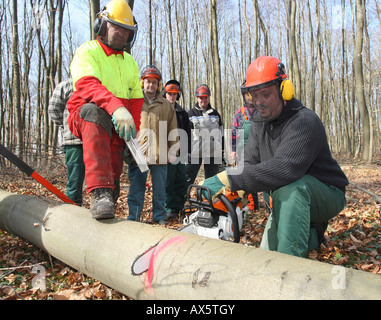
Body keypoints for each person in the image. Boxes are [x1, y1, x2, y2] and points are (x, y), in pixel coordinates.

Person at [201, 56, 348, 258]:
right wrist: (233, 191)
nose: (259, 102)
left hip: (326, 193)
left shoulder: (304, 121)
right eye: (254, 95)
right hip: (284, 195)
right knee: (268, 253)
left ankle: (289, 271)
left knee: (291, 189)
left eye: (266, 94)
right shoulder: (259, 122)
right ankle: (313, 235)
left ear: (284, 90)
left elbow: (285, 169)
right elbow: (249, 163)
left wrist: (228, 178)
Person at [67, 0, 143, 220]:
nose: (121, 33)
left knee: (115, 161)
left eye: (126, 30)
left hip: (116, 120)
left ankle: (109, 194)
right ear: (101, 25)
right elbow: (87, 84)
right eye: (116, 27)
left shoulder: (130, 62)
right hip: (86, 111)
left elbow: (136, 100)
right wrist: (116, 107)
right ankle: (100, 191)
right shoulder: (88, 51)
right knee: (96, 113)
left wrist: (133, 132)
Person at [127, 65, 178, 225]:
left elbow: (173, 128)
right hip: (138, 153)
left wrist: (173, 151)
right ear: (143, 83)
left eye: (154, 82)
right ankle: (134, 218)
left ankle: (160, 217)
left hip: (160, 153)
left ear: (158, 84)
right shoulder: (134, 101)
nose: (151, 85)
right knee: (136, 190)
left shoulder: (166, 105)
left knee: (160, 191)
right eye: (148, 82)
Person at [48, 79, 85, 206]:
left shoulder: (98, 83)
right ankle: (72, 208)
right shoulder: (66, 85)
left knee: (98, 178)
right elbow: (53, 109)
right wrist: (66, 125)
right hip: (73, 141)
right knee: (75, 178)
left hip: (96, 140)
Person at [162, 80, 191, 220]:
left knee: (181, 180)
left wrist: (188, 151)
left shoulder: (182, 113)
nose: (172, 97)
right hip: (166, 152)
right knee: (168, 181)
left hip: (180, 152)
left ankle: (179, 206)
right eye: (169, 94)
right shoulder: (160, 110)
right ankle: (169, 208)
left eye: (175, 94)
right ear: (164, 94)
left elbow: (187, 133)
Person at [187, 84, 224, 187]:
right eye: (201, 97)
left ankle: (208, 201)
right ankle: (183, 200)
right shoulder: (190, 114)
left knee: (211, 181)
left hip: (212, 153)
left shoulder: (215, 114)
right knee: (187, 179)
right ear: (197, 98)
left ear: (208, 97)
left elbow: (221, 135)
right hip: (195, 153)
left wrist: (221, 152)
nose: (203, 100)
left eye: (205, 97)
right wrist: (187, 152)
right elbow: (186, 136)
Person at [231, 89, 258, 210]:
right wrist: (233, 150)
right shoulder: (240, 113)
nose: (250, 97)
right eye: (248, 94)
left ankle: (267, 205)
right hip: (242, 151)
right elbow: (233, 132)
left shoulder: (261, 111)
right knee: (245, 177)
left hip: (258, 149)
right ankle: (249, 205)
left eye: (252, 94)